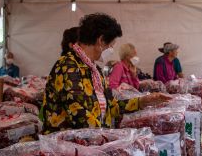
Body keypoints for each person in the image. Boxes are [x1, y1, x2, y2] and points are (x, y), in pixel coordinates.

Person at [42, 13, 170, 133]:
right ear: (101, 41)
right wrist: (111, 138)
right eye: (110, 45)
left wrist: (143, 101)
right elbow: (81, 119)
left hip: (92, 145)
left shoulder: (94, 69)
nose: (111, 50)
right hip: (68, 150)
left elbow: (112, 107)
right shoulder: (68, 66)